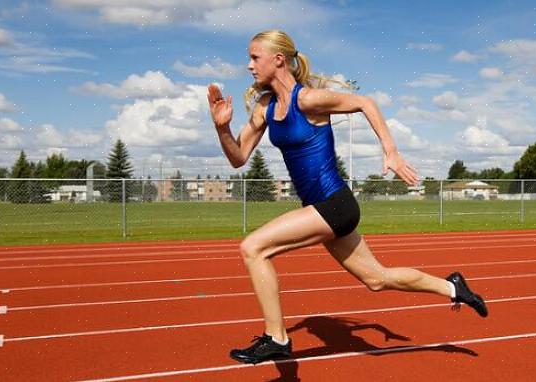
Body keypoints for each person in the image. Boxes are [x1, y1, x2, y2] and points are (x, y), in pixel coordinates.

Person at [207, 30, 487, 365]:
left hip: (334, 205)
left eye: (255, 57)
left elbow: (365, 102)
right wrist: (222, 129)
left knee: (253, 248)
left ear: (278, 59)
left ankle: (276, 338)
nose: (249, 65)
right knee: (377, 279)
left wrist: (391, 151)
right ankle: (454, 288)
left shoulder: (308, 99)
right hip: (321, 209)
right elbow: (238, 158)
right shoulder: (265, 109)